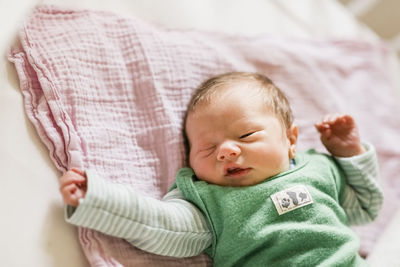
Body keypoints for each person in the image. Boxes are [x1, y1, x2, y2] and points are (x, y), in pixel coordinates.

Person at [60, 72, 383, 266]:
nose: (227, 151)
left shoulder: (320, 169)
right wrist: (100, 198)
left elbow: (366, 207)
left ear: (290, 139)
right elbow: (160, 226)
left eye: (246, 136)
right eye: (207, 149)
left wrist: (349, 153)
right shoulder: (210, 202)